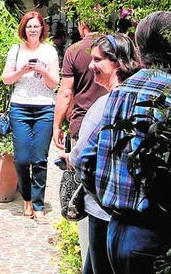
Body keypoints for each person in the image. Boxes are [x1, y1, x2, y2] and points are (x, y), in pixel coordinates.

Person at [75, 11, 171, 274]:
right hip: (153, 233)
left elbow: (83, 160)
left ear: (140, 50)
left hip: (117, 229)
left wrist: (110, 201)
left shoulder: (118, 94)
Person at [66, 32, 141, 274]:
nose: (91, 66)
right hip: (133, 208)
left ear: (116, 63)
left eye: (98, 60)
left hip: (103, 207)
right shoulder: (142, 97)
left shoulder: (106, 105)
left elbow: (81, 158)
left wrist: (69, 160)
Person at [53, 17, 106, 259]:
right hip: (112, 124)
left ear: (83, 26)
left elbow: (66, 92)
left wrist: (56, 124)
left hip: (83, 125)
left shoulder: (74, 51)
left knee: (83, 188)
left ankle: (86, 251)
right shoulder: (115, 48)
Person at [1, 10, 60, 218]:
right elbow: (6, 79)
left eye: (36, 26)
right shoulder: (16, 50)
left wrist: (43, 70)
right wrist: (22, 71)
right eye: (29, 26)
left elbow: (54, 84)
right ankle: (26, 197)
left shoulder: (50, 51)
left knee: (39, 158)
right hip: (20, 107)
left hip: (45, 108)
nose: (33, 29)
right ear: (23, 29)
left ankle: (38, 204)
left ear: (42, 28)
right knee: (22, 159)